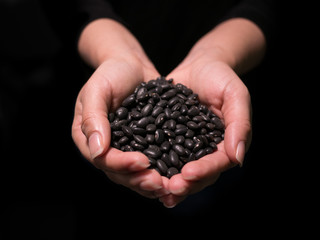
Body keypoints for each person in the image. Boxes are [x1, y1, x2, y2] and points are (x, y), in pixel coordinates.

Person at [71, 0, 275, 208]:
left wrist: (220, 53)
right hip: (102, 86)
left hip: (230, 96)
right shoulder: (131, 116)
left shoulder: (194, 118)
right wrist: (113, 51)